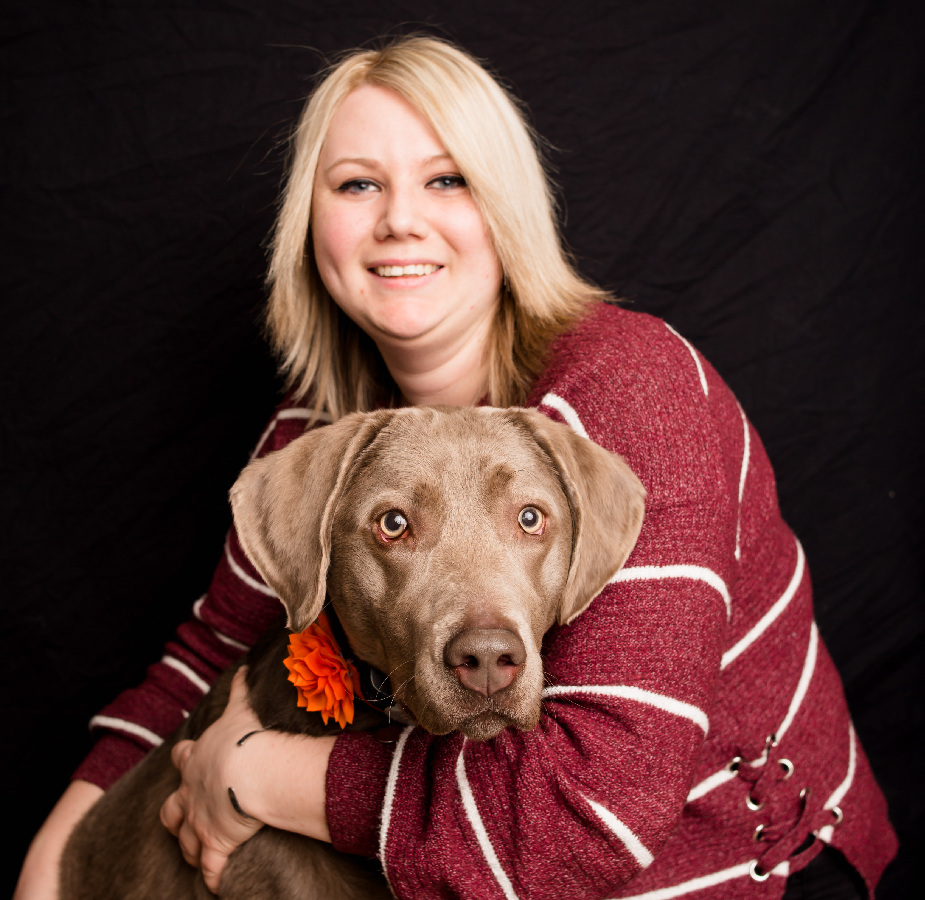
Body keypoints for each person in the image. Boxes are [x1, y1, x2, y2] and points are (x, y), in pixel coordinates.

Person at [17, 35, 896, 900]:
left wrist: (253, 775)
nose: (400, 219)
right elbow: (209, 649)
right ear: (310, 224)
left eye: (447, 180)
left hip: (723, 871)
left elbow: (589, 818)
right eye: (358, 185)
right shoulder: (312, 440)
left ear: (504, 208)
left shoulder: (633, 394)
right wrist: (52, 866)